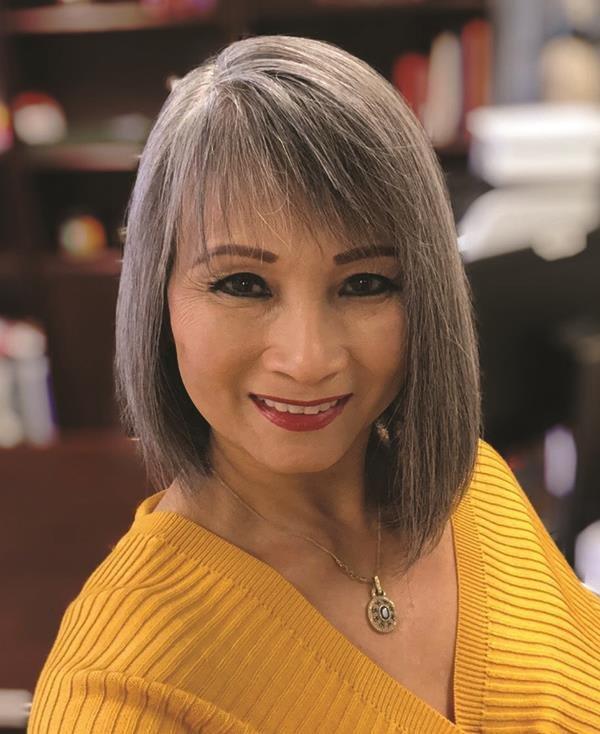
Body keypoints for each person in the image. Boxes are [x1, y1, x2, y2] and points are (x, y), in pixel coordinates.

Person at [27, 35, 600, 733]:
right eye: (243, 284)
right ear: (158, 298)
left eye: (364, 284)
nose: (307, 359)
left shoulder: (477, 487)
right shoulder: (118, 693)